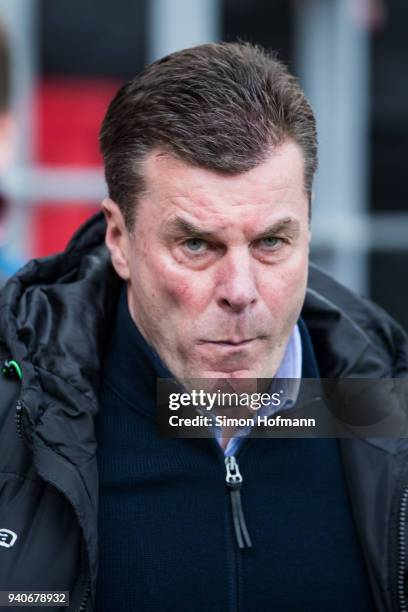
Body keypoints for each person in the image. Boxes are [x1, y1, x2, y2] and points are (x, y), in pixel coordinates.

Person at [0, 42, 407, 612]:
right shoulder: (17, 425)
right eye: (196, 244)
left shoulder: (388, 412)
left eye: (271, 242)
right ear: (119, 238)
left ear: (309, 226)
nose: (240, 291)